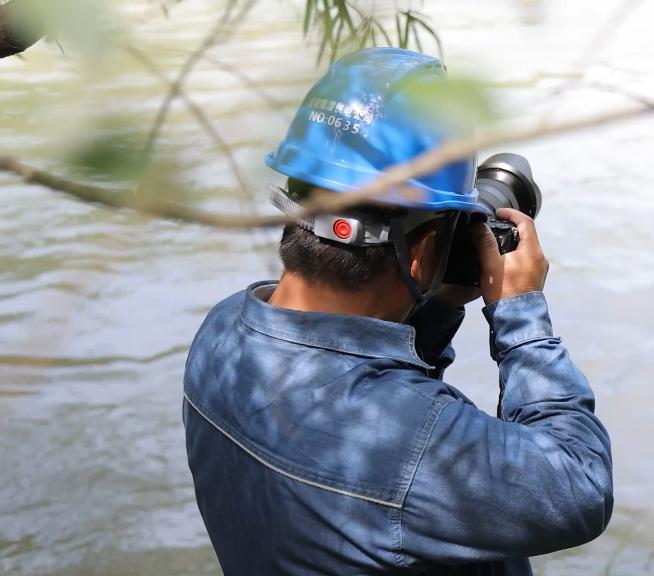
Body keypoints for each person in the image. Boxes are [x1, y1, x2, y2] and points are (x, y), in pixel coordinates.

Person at [183, 47, 613, 575]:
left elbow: (368, 386)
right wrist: (520, 314)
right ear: (420, 252)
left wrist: (435, 304)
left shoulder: (221, 336)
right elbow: (578, 483)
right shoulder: (408, 441)